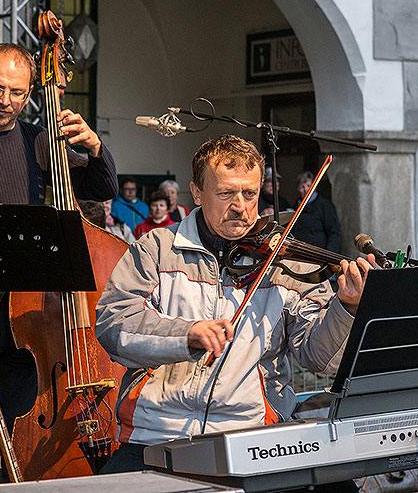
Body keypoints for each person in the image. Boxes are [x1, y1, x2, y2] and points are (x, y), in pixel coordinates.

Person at [95, 135, 374, 484]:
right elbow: (114, 325)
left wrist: (346, 308)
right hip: (158, 434)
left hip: (255, 435)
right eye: (226, 193)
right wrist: (186, 335)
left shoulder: (283, 261)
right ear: (197, 193)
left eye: (250, 193)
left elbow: (318, 357)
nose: (240, 206)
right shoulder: (157, 249)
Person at [0, 42, 117, 487]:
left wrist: (93, 147)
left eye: (17, 91)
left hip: (33, 316)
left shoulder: (40, 140)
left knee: (20, 433)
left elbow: (102, 187)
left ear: (31, 91)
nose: (5, 101)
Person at [291, 171, 341, 254]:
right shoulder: (296, 206)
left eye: (308, 186)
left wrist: (329, 254)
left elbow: (334, 232)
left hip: (318, 253)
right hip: (299, 252)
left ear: (314, 187)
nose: (306, 190)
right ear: (298, 189)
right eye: (302, 187)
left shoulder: (325, 205)